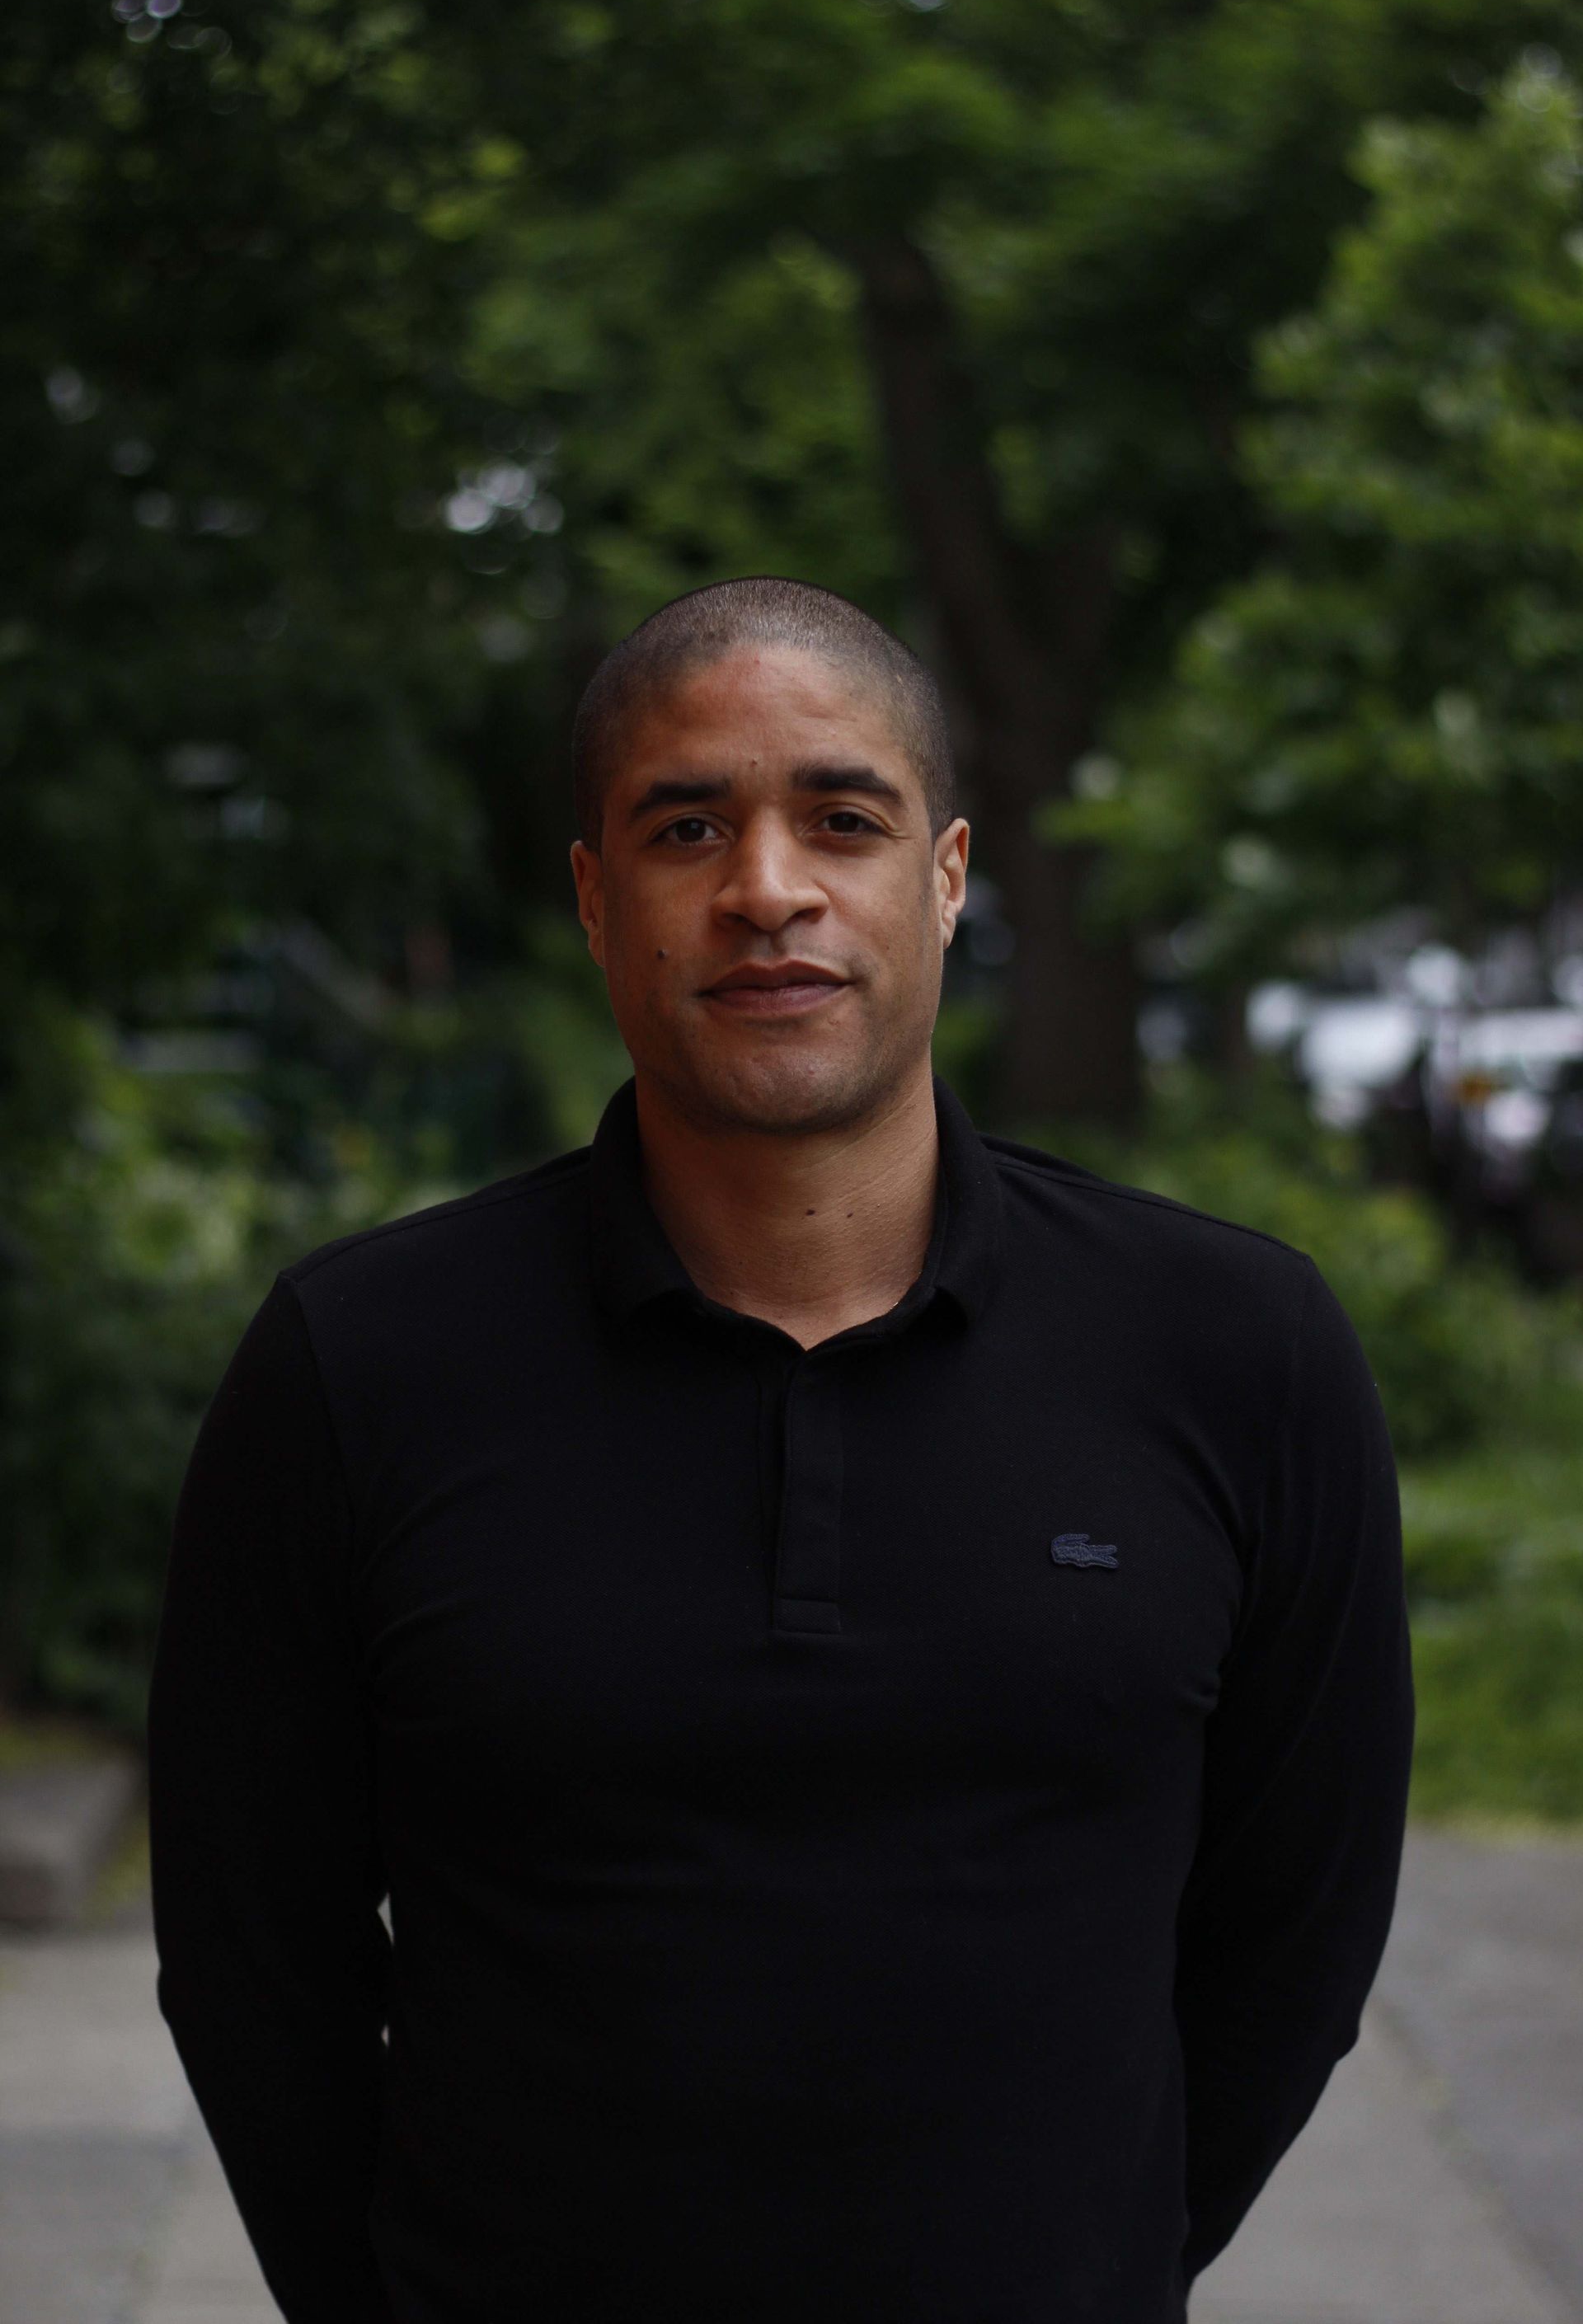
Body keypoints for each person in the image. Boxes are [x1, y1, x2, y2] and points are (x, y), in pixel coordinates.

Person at [146, 576, 1415, 2324]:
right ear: (597, 902)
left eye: (841, 818)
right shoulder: (359, 1365)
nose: (767, 889)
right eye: (687, 827)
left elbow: (1300, 1934)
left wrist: (1090, 2269)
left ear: (947, 881)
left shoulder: (1234, 1353)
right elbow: (248, 1957)